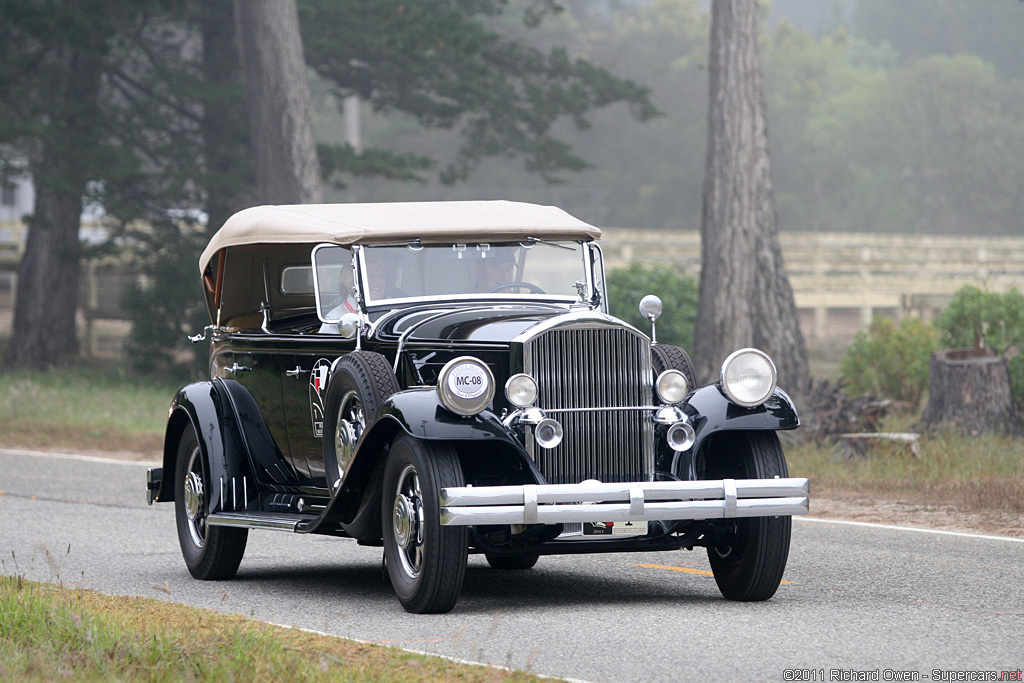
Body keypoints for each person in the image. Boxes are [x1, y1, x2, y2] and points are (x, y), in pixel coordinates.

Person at [318, 264, 359, 335]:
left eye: (382, 276)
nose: (379, 280)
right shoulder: (334, 318)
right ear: (352, 282)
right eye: (371, 276)